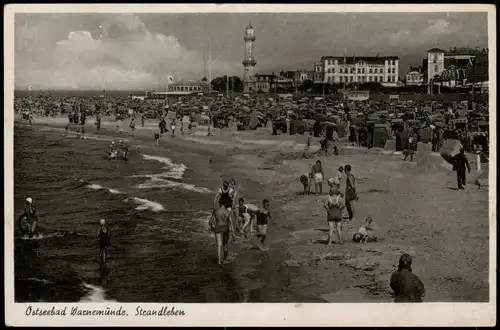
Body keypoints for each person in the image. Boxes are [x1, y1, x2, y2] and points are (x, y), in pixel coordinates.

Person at [210, 200, 236, 267]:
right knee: (225, 244)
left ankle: (219, 261)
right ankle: (224, 259)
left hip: (218, 228)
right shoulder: (228, 212)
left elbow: (210, 222)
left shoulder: (215, 211)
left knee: (219, 245)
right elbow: (231, 224)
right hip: (225, 229)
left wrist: (212, 228)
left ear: (219, 204)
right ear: (225, 204)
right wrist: (233, 234)